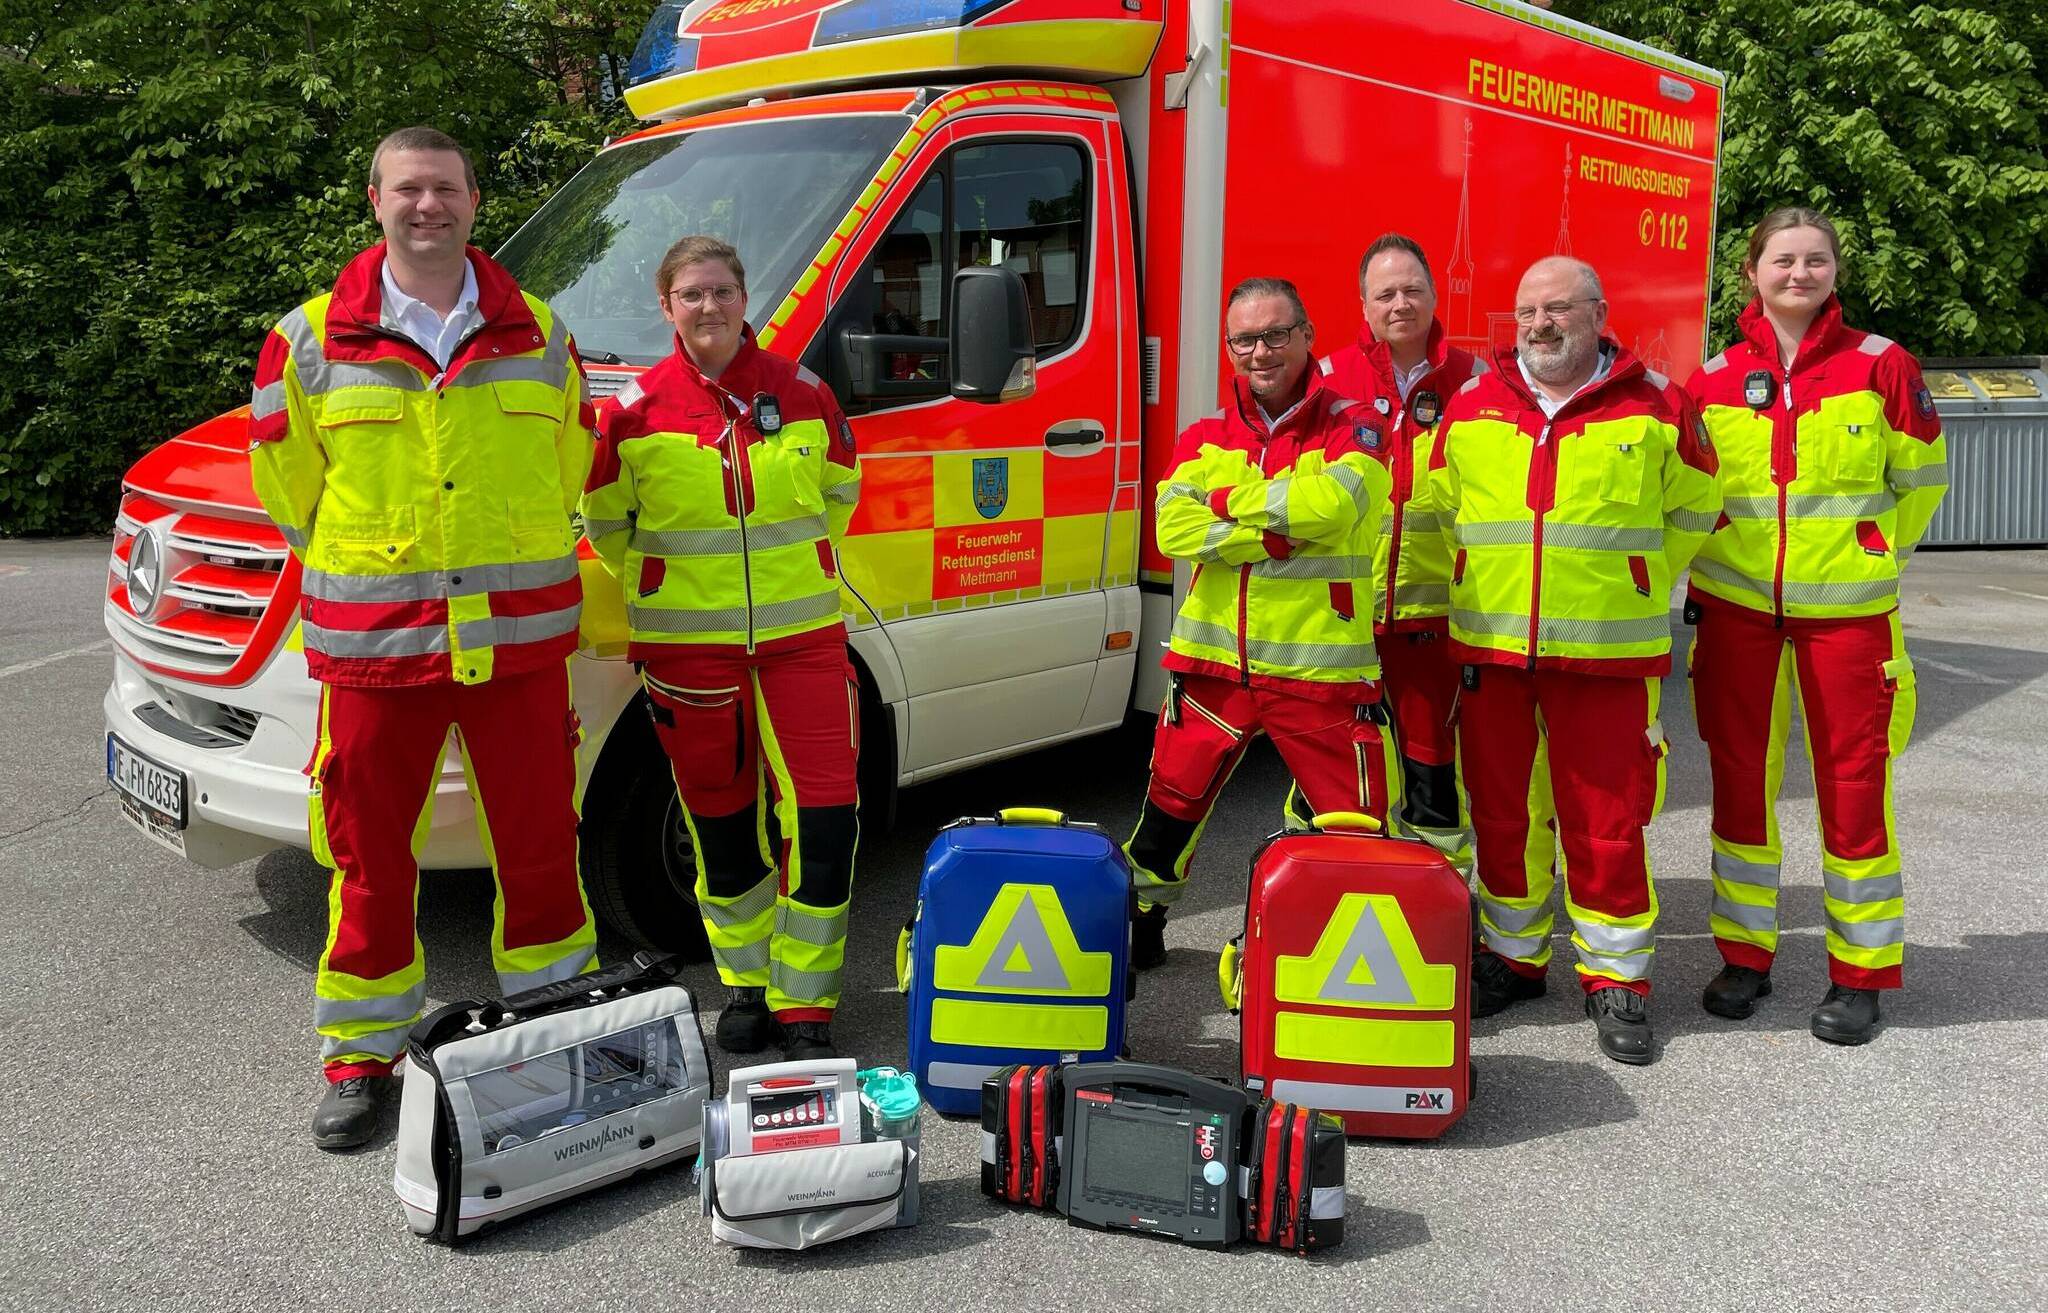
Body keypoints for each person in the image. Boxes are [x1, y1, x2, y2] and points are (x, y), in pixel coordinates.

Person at [248, 126, 598, 1149]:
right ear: (375, 200)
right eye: (408, 188)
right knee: (368, 862)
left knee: (540, 850)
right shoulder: (306, 339)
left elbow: (568, 465)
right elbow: (290, 493)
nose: (427, 205)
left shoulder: (540, 330)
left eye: (444, 187)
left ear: (474, 198)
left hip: (519, 651)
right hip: (377, 653)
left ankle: (551, 1024)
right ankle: (362, 1054)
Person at [1428, 256, 1721, 1064]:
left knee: (1606, 821)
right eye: (1526, 310)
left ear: (1598, 311)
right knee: (1502, 814)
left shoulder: (1658, 404)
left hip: (1609, 655)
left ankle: (1616, 978)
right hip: (1493, 648)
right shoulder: (1474, 403)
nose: (1539, 324)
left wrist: (1634, 583)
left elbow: (1697, 508)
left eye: (1557, 308)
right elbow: (1440, 509)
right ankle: (1515, 959)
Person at [581, 235, 861, 1060]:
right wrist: (674, 588)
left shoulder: (806, 393)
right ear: (667, 307)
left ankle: (805, 997)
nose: (709, 307)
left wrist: (788, 576)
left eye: (723, 291)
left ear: (747, 299)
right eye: (691, 294)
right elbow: (607, 526)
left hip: (802, 641)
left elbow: (838, 495)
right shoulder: (631, 410)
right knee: (721, 822)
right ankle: (744, 983)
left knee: (824, 816)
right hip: (687, 652)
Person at [1683, 208, 1947, 1045]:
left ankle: (1859, 974)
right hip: (1738, 612)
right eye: (1783, 260)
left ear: (1836, 271)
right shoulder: (1712, 378)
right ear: (1752, 271)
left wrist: (1876, 550)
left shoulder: (1884, 365)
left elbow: (1924, 478)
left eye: (1816, 261)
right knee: (1739, 781)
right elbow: (1691, 494)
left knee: (1853, 785)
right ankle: (1744, 956)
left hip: (1850, 618)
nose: (1799, 274)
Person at [1124, 276, 1396, 968]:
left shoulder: (1357, 423)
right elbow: (1172, 529)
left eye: (1277, 333)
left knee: (1347, 826)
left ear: (1307, 336)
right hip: (1214, 670)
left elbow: (1333, 507)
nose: (1261, 350)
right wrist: (1273, 533)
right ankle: (1139, 922)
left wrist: (1228, 497)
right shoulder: (1205, 432)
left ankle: (1304, 943)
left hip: (1320, 672)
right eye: (1245, 338)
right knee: (1166, 813)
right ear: (1229, 348)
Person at [1309, 233, 1487, 870]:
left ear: (1435, 296)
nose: (1400, 303)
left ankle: (1437, 902)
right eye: (1385, 293)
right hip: (1343, 616)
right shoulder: (1327, 380)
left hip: (1433, 617)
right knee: (1333, 765)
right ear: (1363, 305)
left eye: (1413, 289)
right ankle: (1331, 886)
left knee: (1431, 772)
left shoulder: (1477, 382)